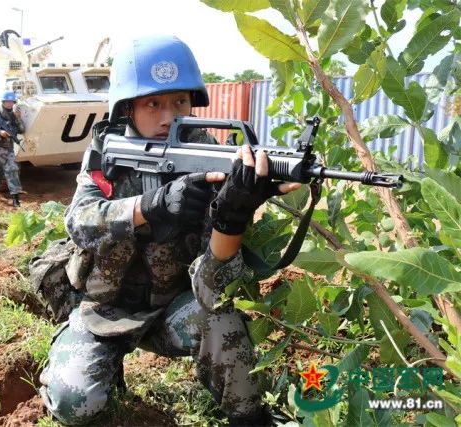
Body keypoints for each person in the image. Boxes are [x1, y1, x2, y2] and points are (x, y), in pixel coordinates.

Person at [39, 35, 301, 426]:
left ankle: (251, 419)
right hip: (103, 311)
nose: (168, 117)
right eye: (153, 104)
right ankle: (86, 361)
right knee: (74, 401)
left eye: (179, 101)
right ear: (127, 107)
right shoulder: (107, 152)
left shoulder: (209, 156)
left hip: (173, 309)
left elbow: (215, 285)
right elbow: (80, 223)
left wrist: (233, 214)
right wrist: (151, 205)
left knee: (221, 318)